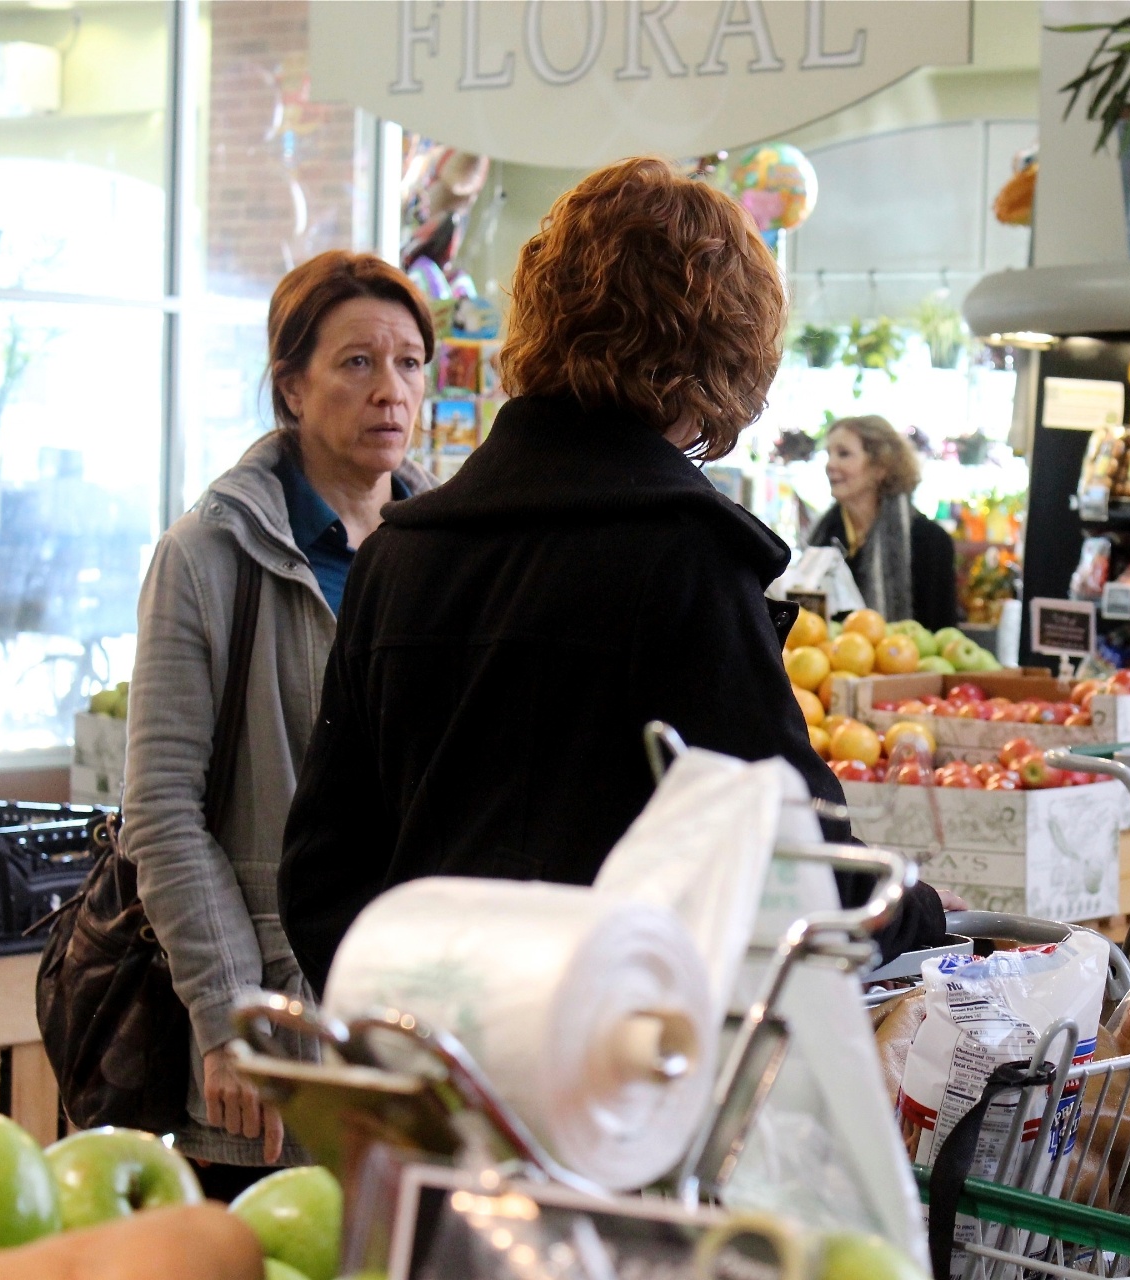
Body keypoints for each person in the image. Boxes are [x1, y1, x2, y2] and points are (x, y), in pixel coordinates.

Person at [278, 157, 947, 997]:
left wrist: (410, 1034)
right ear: (720, 348)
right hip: (623, 1089)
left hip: (430, 1092)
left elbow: (319, 876)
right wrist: (929, 918)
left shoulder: (398, 556)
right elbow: (802, 868)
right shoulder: (688, 561)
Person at [121, 251, 436, 1190]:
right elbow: (163, 812)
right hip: (273, 1021)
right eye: (357, 363)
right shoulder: (208, 556)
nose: (391, 391)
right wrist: (229, 1015)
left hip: (423, 1023)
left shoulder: (444, 556)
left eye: (411, 364)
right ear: (291, 386)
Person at [808, 415, 960, 630]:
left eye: (843, 454)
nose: (830, 465)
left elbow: (943, 633)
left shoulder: (929, 541)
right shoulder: (821, 537)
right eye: (828, 454)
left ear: (881, 466)